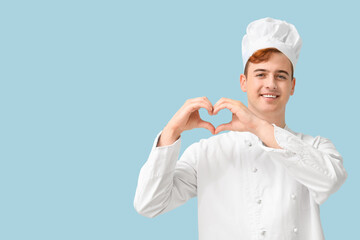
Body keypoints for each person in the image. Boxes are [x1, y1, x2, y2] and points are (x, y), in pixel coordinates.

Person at [133, 17, 347, 240]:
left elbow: (330, 181)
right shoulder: (206, 153)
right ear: (243, 82)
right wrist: (171, 132)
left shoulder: (315, 146)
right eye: (261, 74)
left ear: (292, 86)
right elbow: (149, 204)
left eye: (281, 76)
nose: (271, 84)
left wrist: (258, 126)